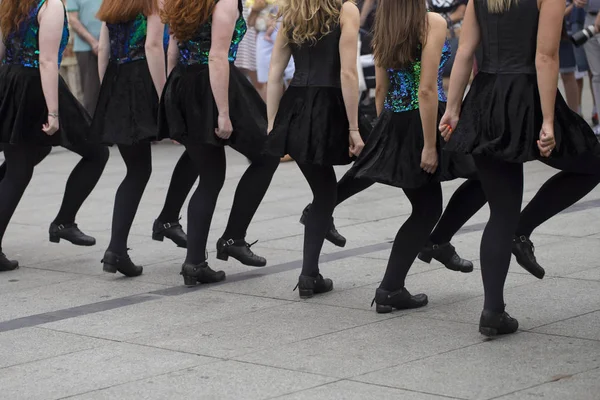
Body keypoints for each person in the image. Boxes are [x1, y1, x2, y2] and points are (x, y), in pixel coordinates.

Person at [442, 0, 600, 336]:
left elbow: (466, 51)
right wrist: (547, 119)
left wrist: (453, 107)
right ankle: (521, 230)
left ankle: (493, 311)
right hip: (526, 96)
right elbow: (545, 57)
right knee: (592, 164)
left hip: (485, 98)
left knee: (501, 212)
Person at [160, 0, 281, 286]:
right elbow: (217, 57)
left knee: (212, 176)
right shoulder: (225, 2)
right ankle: (230, 239)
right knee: (267, 154)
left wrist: (172, 99)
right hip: (213, 85)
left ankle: (196, 262)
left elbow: (172, 51)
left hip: (185, 83)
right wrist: (223, 113)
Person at [265, 0, 364, 298]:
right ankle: (310, 270)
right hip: (329, 104)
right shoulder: (347, 10)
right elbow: (347, 73)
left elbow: (274, 73)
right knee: (373, 160)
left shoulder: (291, 14)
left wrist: (272, 123)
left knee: (323, 192)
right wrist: (354, 127)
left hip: (295, 106)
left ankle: (310, 273)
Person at [0, 0, 108, 271]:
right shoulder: (51, 5)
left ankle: (64, 222)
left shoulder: (10, 4)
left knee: (32, 154)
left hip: (11, 81)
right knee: (96, 153)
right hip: (35, 87)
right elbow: (47, 61)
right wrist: (54, 112)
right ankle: (64, 222)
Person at [90, 0, 168, 277]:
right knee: (139, 170)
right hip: (140, 81)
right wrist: (164, 95)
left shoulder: (112, 4)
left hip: (116, 80)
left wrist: (107, 93)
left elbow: (104, 51)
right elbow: (153, 46)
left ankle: (117, 250)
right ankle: (118, 248)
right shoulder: (152, 3)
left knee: (136, 169)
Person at [67, 0, 103, 114]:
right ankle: (91, 129)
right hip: (86, 48)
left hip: (112, 46)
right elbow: (73, 19)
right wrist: (93, 43)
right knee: (91, 95)